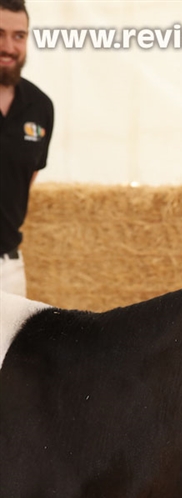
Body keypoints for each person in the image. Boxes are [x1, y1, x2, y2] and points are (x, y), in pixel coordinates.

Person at [0, 0, 52, 297]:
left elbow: (24, 181)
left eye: (18, 35)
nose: (9, 46)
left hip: (8, 270)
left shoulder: (41, 107)